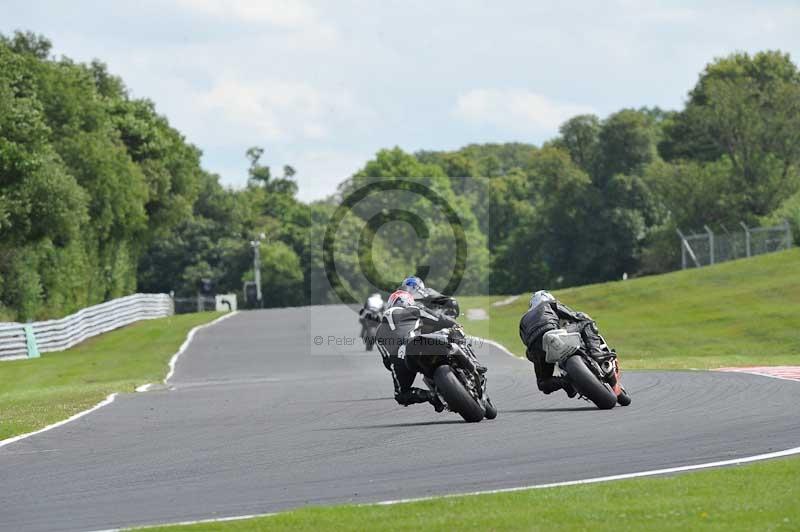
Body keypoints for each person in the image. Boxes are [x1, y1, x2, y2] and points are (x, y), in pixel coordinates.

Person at [374, 289, 463, 411]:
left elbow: (387, 362)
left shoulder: (378, 332)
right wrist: (455, 326)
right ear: (408, 301)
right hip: (419, 344)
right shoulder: (414, 309)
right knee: (451, 337)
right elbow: (438, 318)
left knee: (401, 395)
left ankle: (431, 396)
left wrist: (400, 365)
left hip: (400, 359)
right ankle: (466, 365)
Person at [519, 290, 612, 397]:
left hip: (537, 348)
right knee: (586, 322)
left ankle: (566, 382)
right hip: (554, 333)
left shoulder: (523, 320)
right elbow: (573, 316)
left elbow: (527, 347)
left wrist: (537, 358)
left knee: (543, 383)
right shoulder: (549, 304)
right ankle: (596, 352)